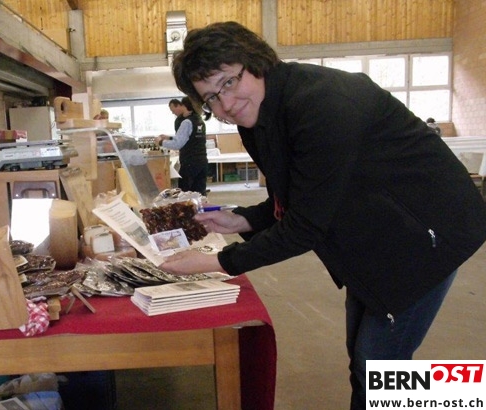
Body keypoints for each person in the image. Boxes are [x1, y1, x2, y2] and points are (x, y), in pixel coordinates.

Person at [160, 21, 486, 410]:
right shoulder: (259, 114)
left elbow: (306, 226)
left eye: (229, 82)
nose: (225, 105)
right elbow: (298, 197)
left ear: (256, 61)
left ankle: (467, 397)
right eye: (211, 98)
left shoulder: (322, 104)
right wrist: (242, 220)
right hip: (375, 230)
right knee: (367, 360)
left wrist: (217, 262)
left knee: (377, 362)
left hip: (429, 231)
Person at [156, 96, 208, 196]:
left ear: (184, 106)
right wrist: (170, 138)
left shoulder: (186, 122)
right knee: (200, 192)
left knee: (184, 193)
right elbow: (190, 137)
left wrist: (161, 142)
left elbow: (178, 144)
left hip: (190, 162)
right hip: (202, 161)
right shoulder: (199, 121)